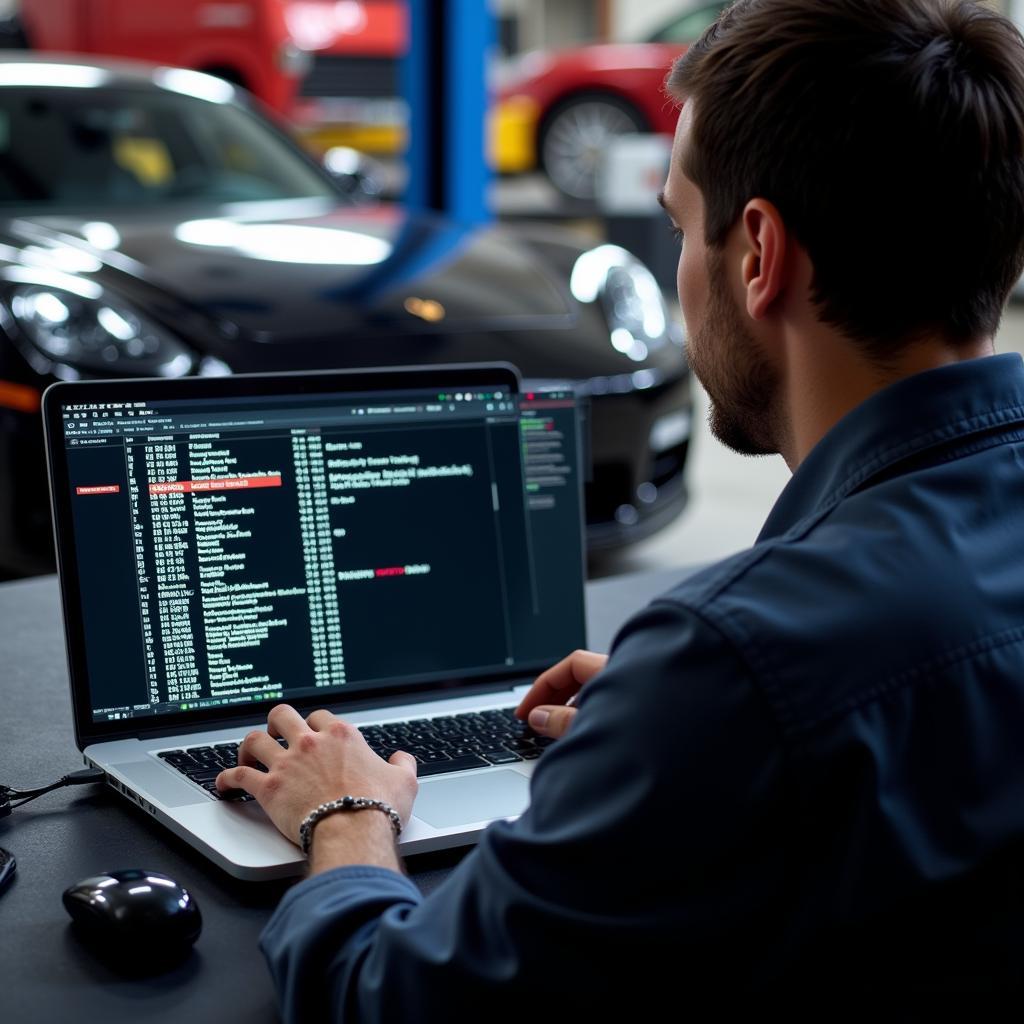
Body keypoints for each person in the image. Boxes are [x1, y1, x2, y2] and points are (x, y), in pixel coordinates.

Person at [217, 0, 1024, 1011]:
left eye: (682, 226)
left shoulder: (735, 659)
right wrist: (669, 735)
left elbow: (381, 999)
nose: (678, 269)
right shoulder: (730, 682)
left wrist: (344, 814)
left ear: (759, 254)